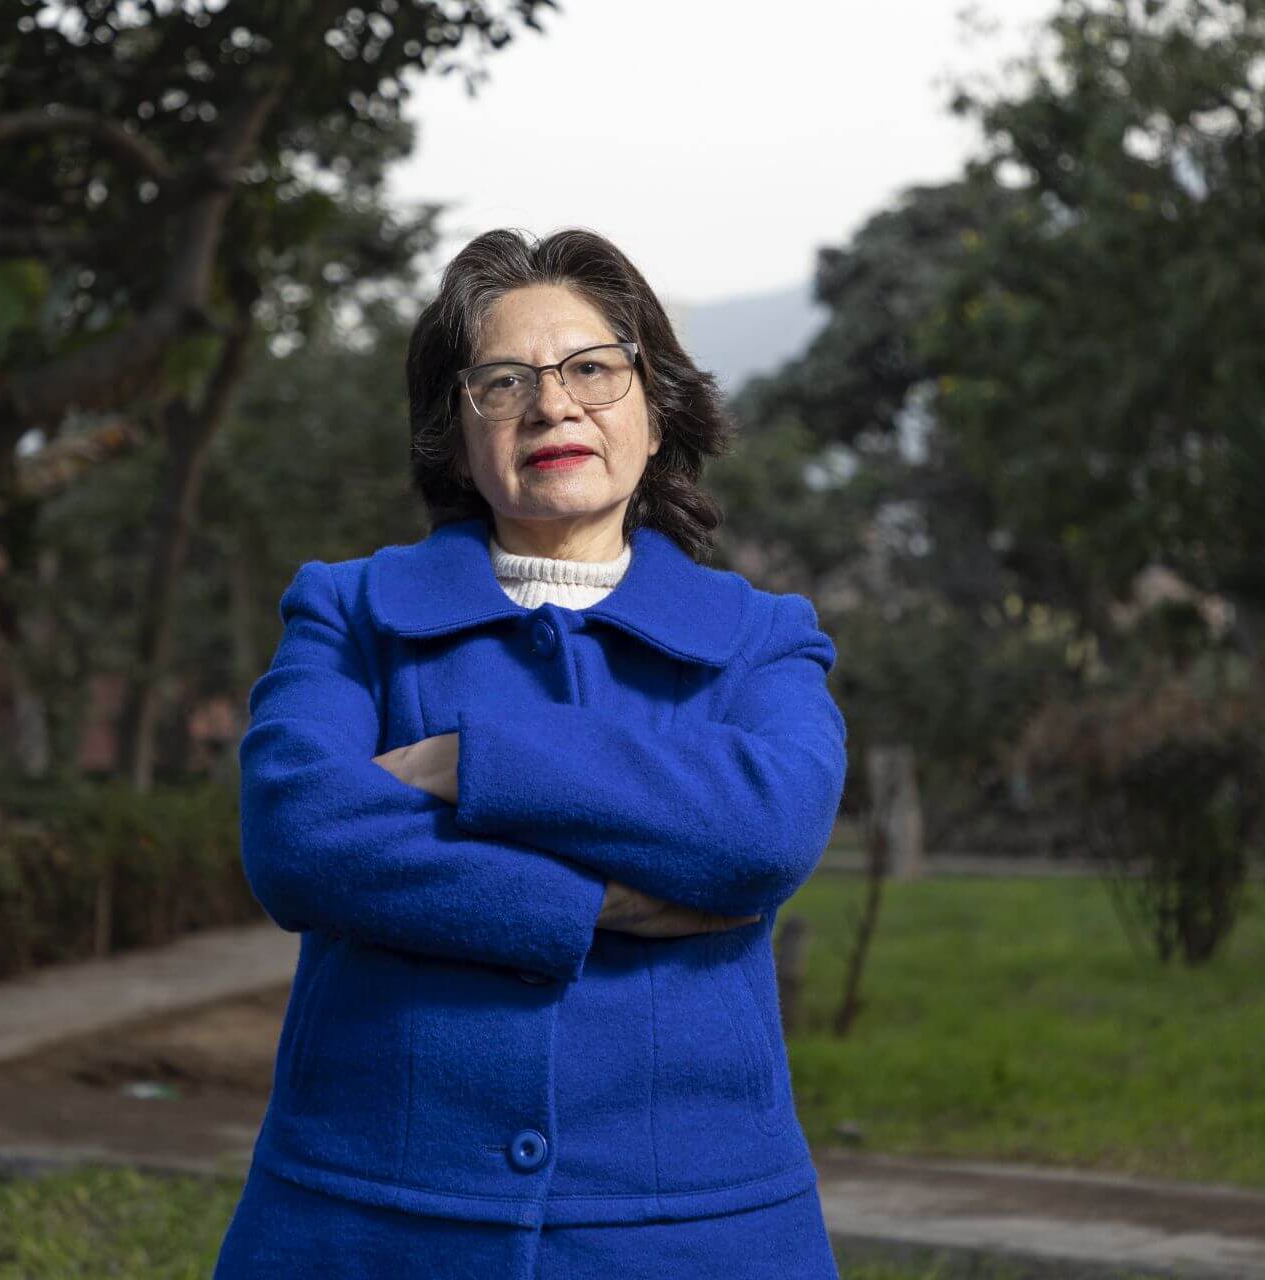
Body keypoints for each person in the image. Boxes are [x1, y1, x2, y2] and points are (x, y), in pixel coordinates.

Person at [211, 227, 849, 1279]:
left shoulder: (760, 636)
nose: (554, 405)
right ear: (456, 436)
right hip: (368, 1224)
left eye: (593, 369)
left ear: (657, 410)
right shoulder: (349, 611)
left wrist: (468, 761)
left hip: (689, 1235)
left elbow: (767, 830)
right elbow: (298, 834)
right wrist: (596, 897)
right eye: (504, 382)